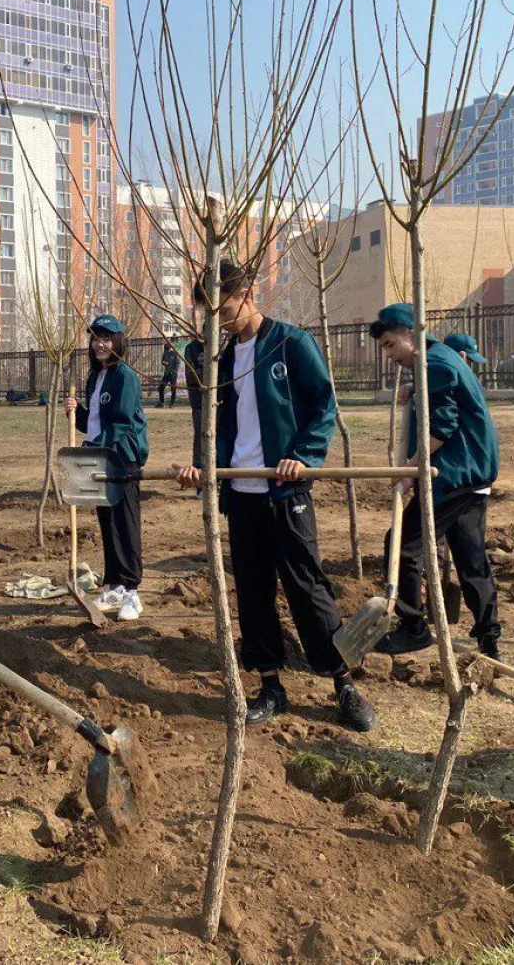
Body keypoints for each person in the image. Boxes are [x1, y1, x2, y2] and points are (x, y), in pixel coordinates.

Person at [174, 261, 374, 733]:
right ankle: (270, 685)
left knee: (307, 586)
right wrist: (202, 467)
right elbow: (212, 428)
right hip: (241, 493)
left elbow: (322, 407)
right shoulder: (215, 361)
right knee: (254, 591)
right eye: (208, 314)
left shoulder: (290, 343)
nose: (216, 321)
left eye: (222, 309)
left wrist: (302, 454)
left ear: (248, 293)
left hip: (285, 489)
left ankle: (341, 681)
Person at [369, 302, 502, 661]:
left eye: (390, 346)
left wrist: (412, 469)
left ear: (412, 336)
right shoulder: (438, 360)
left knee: (403, 546)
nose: (389, 356)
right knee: (471, 560)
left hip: (453, 476)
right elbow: (445, 399)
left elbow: (442, 426)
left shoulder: (437, 364)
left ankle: (413, 629)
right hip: (471, 477)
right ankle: (489, 639)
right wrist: (414, 392)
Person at [65, 315, 149, 621]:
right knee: (108, 523)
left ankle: (132, 592)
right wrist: (78, 413)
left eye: (106, 339)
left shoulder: (125, 377)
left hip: (122, 459)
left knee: (126, 524)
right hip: (100, 457)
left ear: (118, 342)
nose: (99, 345)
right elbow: (96, 423)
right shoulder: (95, 377)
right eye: (95, 338)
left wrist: (95, 446)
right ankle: (113, 584)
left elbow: (122, 424)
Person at [183, 330, 208, 468]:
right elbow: (191, 376)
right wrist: (210, 371)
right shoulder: (191, 348)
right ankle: (198, 468)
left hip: (219, 402)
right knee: (200, 435)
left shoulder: (220, 347)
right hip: (199, 402)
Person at [157, 340, 180, 408]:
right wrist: (164, 363)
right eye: (165, 349)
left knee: (173, 389)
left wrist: (174, 370)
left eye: (167, 349)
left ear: (170, 348)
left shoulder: (175, 353)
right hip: (166, 374)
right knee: (161, 388)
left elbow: (178, 363)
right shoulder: (165, 353)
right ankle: (161, 403)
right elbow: (162, 361)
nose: (166, 350)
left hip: (173, 374)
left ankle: (172, 404)